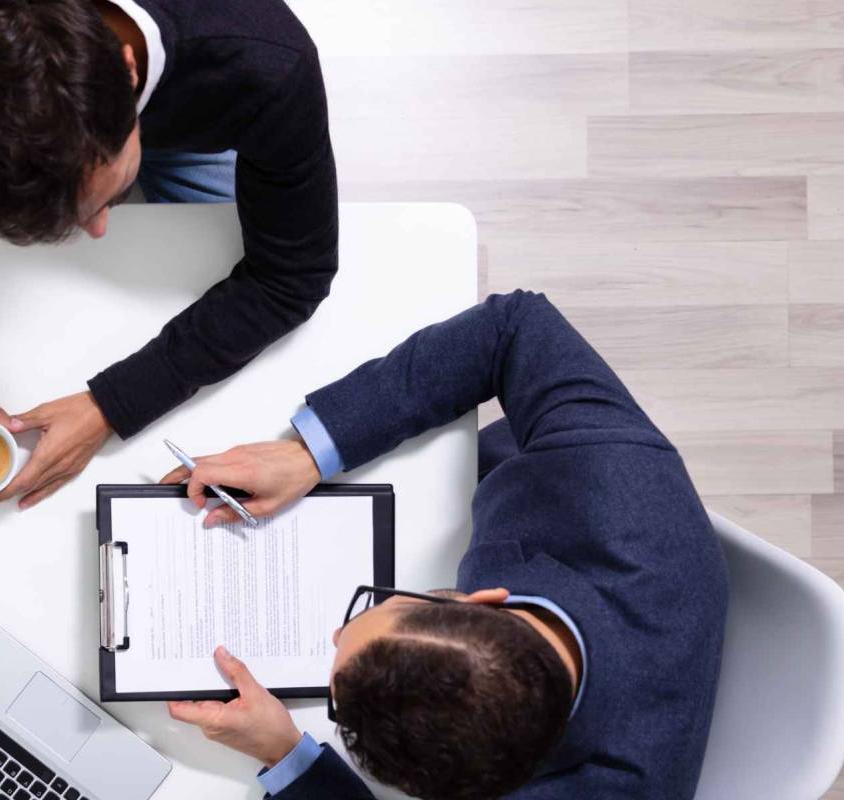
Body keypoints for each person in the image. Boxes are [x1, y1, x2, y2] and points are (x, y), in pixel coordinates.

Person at [159, 291, 727, 799]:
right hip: (500, 483)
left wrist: (284, 754)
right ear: (483, 600)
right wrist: (309, 454)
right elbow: (514, 328)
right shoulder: (619, 487)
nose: (335, 634)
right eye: (380, 605)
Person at [0, 0, 338, 509]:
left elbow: (293, 273)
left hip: (206, 103)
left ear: (127, 69)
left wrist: (113, 403)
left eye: (104, 200)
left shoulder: (265, 63)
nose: (100, 230)